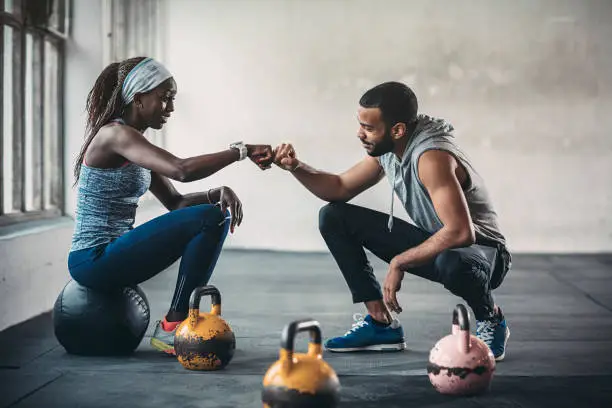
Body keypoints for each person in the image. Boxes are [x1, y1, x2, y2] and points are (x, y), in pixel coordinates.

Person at [272, 81, 512, 361]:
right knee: (334, 216)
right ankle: (380, 324)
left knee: (451, 261)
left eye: (369, 128)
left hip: (484, 255)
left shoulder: (431, 158)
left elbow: (461, 233)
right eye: (360, 124)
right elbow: (338, 187)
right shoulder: (390, 149)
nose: (360, 134)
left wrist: (399, 261)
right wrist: (296, 167)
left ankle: (491, 319)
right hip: (442, 242)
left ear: (397, 129)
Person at [68, 56, 274, 356]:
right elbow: (181, 169)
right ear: (138, 99)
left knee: (213, 213)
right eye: (165, 99)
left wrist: (216, 193)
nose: (171, 109)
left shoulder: (134, 143)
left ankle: (175, 321)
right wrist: (241, 151)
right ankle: (174, 324)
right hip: (93, 259)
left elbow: (176, 203)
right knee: (211, 217)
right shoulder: (115, 134)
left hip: (118, 252)